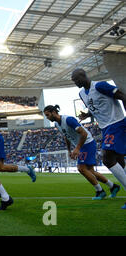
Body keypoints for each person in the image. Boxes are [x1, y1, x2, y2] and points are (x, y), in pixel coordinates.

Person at [71, 69, 126, 209]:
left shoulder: (100, 86)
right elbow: (94, 106)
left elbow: (122, 96)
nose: (75, 82)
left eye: (76, 79)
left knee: (107, 158)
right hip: (105, 128)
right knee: (119, 161)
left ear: (83, 76)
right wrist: (86, 115)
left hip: (116, 123)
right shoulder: (82, 94)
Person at [43, 104, 120, 199]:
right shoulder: (56, 124)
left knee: (81, 168)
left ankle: (100, 191)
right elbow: (66, 136)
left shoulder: (68, 120)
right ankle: (113, 186)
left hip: (87, 143)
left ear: (54, 112)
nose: (47, 117)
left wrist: (77, 148)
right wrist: (69, 150)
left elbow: (84, 133)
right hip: (82, 145)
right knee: (90, 171)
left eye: (47, 115)